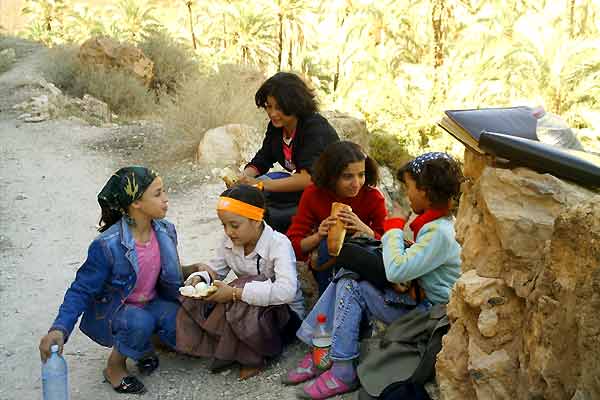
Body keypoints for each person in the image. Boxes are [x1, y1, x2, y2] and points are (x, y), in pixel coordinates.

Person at [283, 152, 464, 399]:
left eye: (409, 188)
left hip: (429, 313)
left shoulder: (439, 232)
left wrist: (393, 229)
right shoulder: (432, 226)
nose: (407, 193)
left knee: (350, 284)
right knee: (348, 275)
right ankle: (322, 351)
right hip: (418, 300)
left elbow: (396, 269)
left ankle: (340, 367)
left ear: (425, 191)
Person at [38, 167, 198, 394]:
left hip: (151, 302)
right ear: (136, 204)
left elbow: (156, 269)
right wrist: (59, 329)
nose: (166, 199)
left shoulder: (165, 230)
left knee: (182, 327)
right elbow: (81, 289)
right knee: (138, 322)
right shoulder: (107, 245)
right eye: (158, 193)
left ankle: (143, 347)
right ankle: (115, 367)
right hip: (118, 310)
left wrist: (194, 270)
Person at [175, 184, 304, 380]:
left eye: (234, 225)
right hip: (249, 313)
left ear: (257, 220)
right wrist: (199, 279)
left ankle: (253, 356)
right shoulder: (230, 241)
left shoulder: (278, 244)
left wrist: (236, 293)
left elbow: (286, 291)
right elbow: (215, 271)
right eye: (224, 225)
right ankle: (228, 348)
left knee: (243, 285)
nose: (228, 232)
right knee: (195, 295)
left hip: (284, 318)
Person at [237, 72, 339, 233]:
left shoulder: (315, 129)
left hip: (327, 195)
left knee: (263, 195)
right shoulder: (277, 126)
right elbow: (264, 157)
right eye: (269, 106)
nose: (272, 113)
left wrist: (261, 185)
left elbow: (308, 179)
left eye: (279, 108)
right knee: (245, 194)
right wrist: (245, 176)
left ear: (295, 105)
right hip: (304, 190)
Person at [286, 141, 387, 295]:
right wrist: (319, 235)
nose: (356, 183)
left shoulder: (373, 197)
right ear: (331, 176)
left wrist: (364, 229)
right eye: (347, 177)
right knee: (327, 245)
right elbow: (292, 245)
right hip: (325, 265)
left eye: (361, 175)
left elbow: (390, 246)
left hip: (364, 263)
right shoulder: (314, 194)